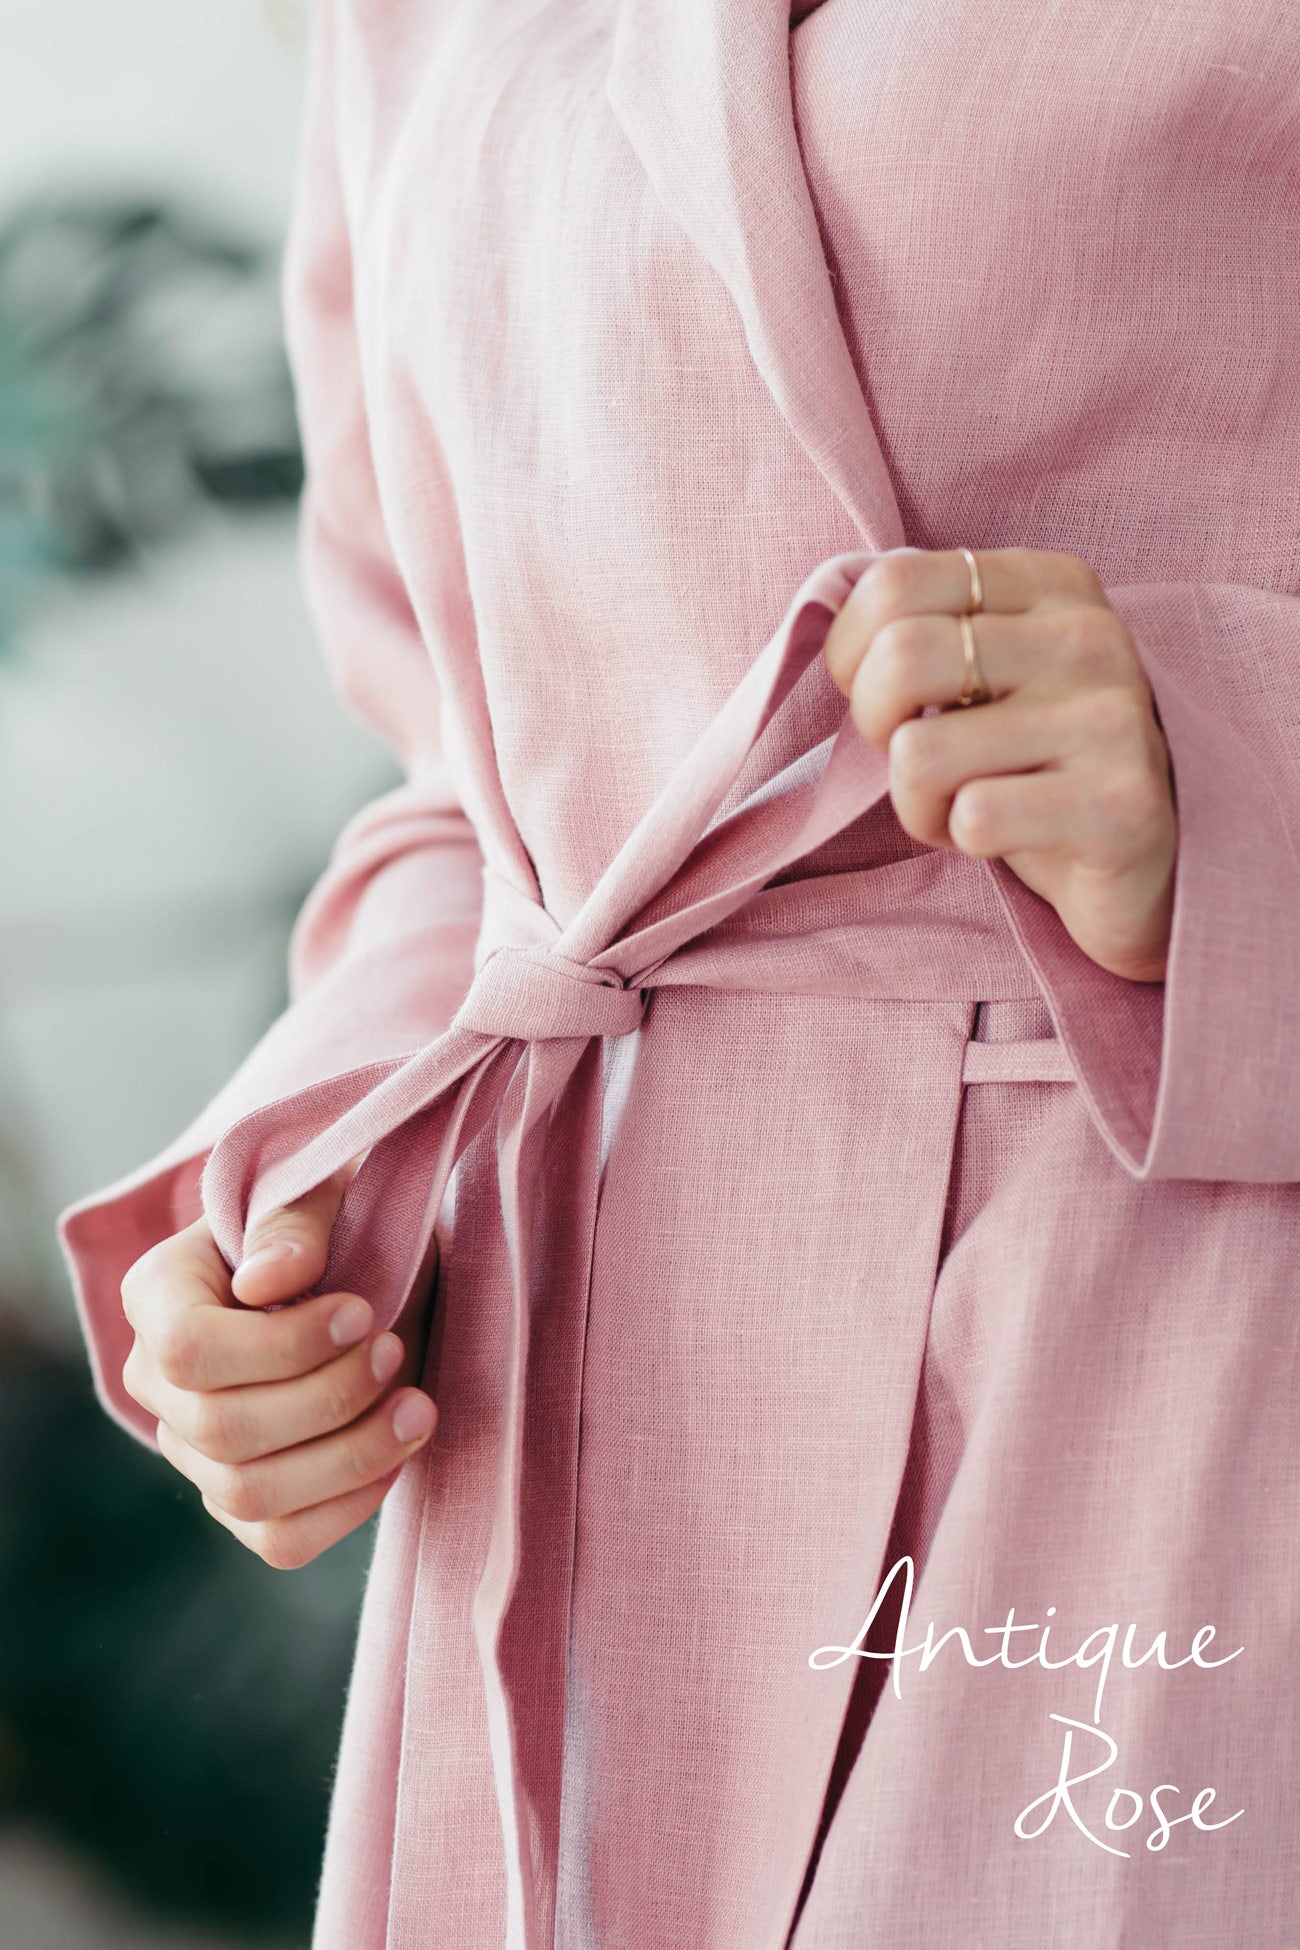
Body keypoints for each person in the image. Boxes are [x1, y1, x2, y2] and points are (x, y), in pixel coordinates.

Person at [59, 2, 1300, 1944]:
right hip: (569, 1424)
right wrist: (318, 1190)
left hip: (1186, 1321)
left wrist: (1245, 780)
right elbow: (486, 774)